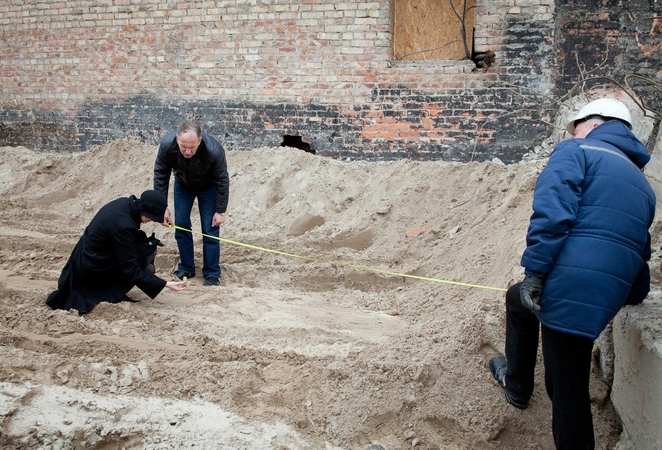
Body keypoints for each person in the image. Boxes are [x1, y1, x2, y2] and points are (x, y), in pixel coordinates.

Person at [489, 98, 656, 449]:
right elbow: (640, 251)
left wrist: (535, 271)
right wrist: (634, 294)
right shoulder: (642, 184)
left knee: (566, 388)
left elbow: (553, 213)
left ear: (596, 124)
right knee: (516, 298)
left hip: (571, 284)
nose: (574, 131)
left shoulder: (577, 150)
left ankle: (528, 397)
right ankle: (516, 385)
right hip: (606, 289)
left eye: (577, 124)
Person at [46, 190, 187, 314]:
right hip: (91, 265)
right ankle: (107, 290)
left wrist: (161, 212)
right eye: (152, 218)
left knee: (143, 249)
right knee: (145, 263)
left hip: (86, 254)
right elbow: (131, 268)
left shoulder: (125, 203)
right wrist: (165, 284)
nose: (151, 221)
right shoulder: (123, 225)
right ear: (145, 213)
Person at [153, 121, 229, 287]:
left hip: (208, 187)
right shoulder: (167, 146)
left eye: (192, 147)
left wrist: (220, 211)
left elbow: (222, 179)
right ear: (176, 139)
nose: (187, 151)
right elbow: (161, 174)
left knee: (210, 228)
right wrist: (161, 207)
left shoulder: (213, 151)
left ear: (200, 141)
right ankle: (186, 267)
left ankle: (211, 273)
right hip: (183, 185)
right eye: (183, 147)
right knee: (181, 225)